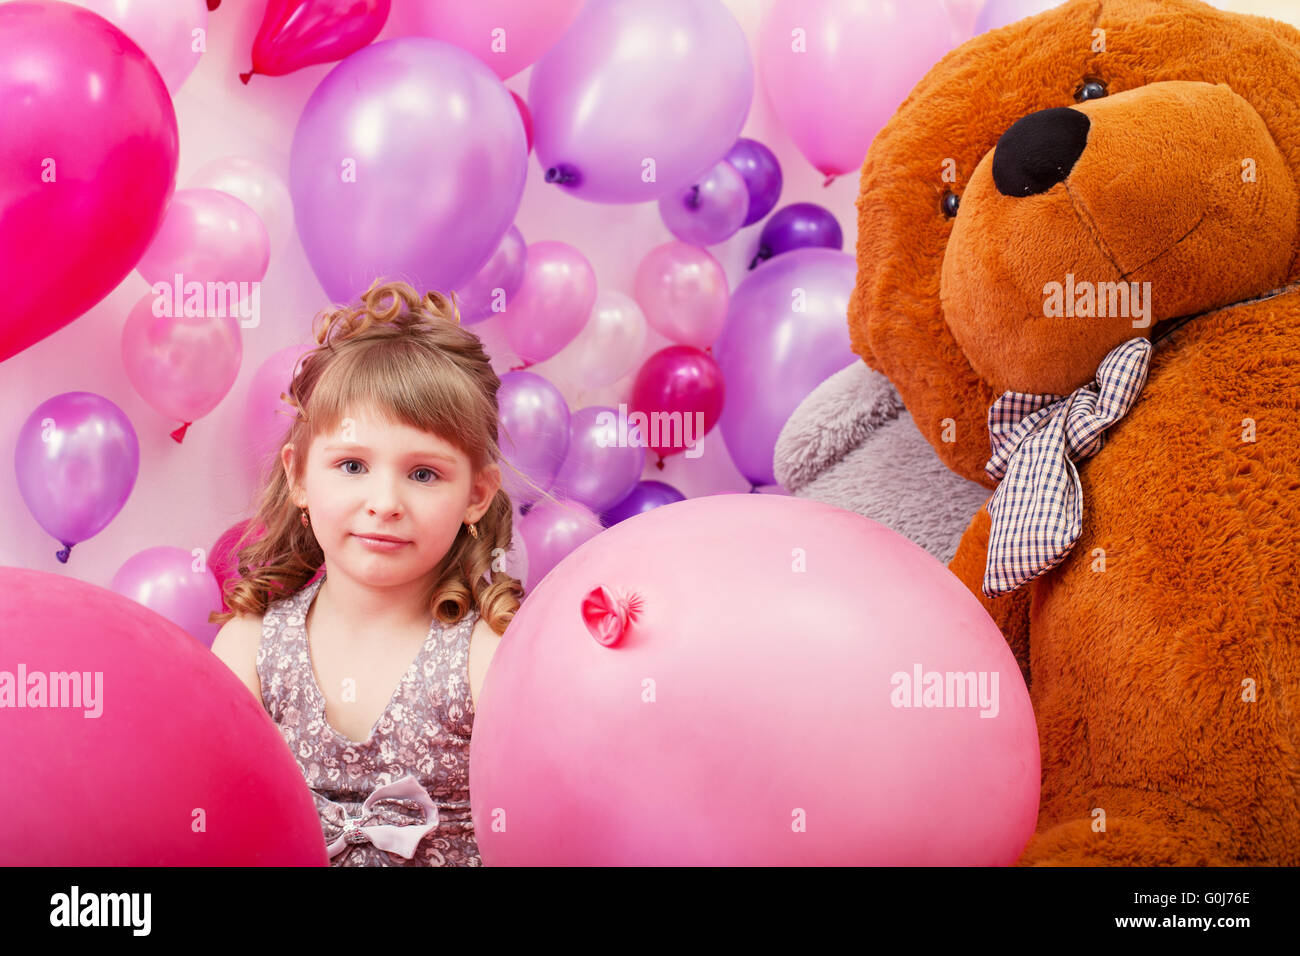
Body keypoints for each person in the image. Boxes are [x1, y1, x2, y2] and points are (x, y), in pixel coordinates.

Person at [211, 277, 540, 866]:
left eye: (423, 475)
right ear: (300, 475)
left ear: (478, 494)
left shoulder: (486, 655)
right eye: (352, 465)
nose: (384, 501)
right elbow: (210, 814)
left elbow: (543, 823)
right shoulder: (251, 645)